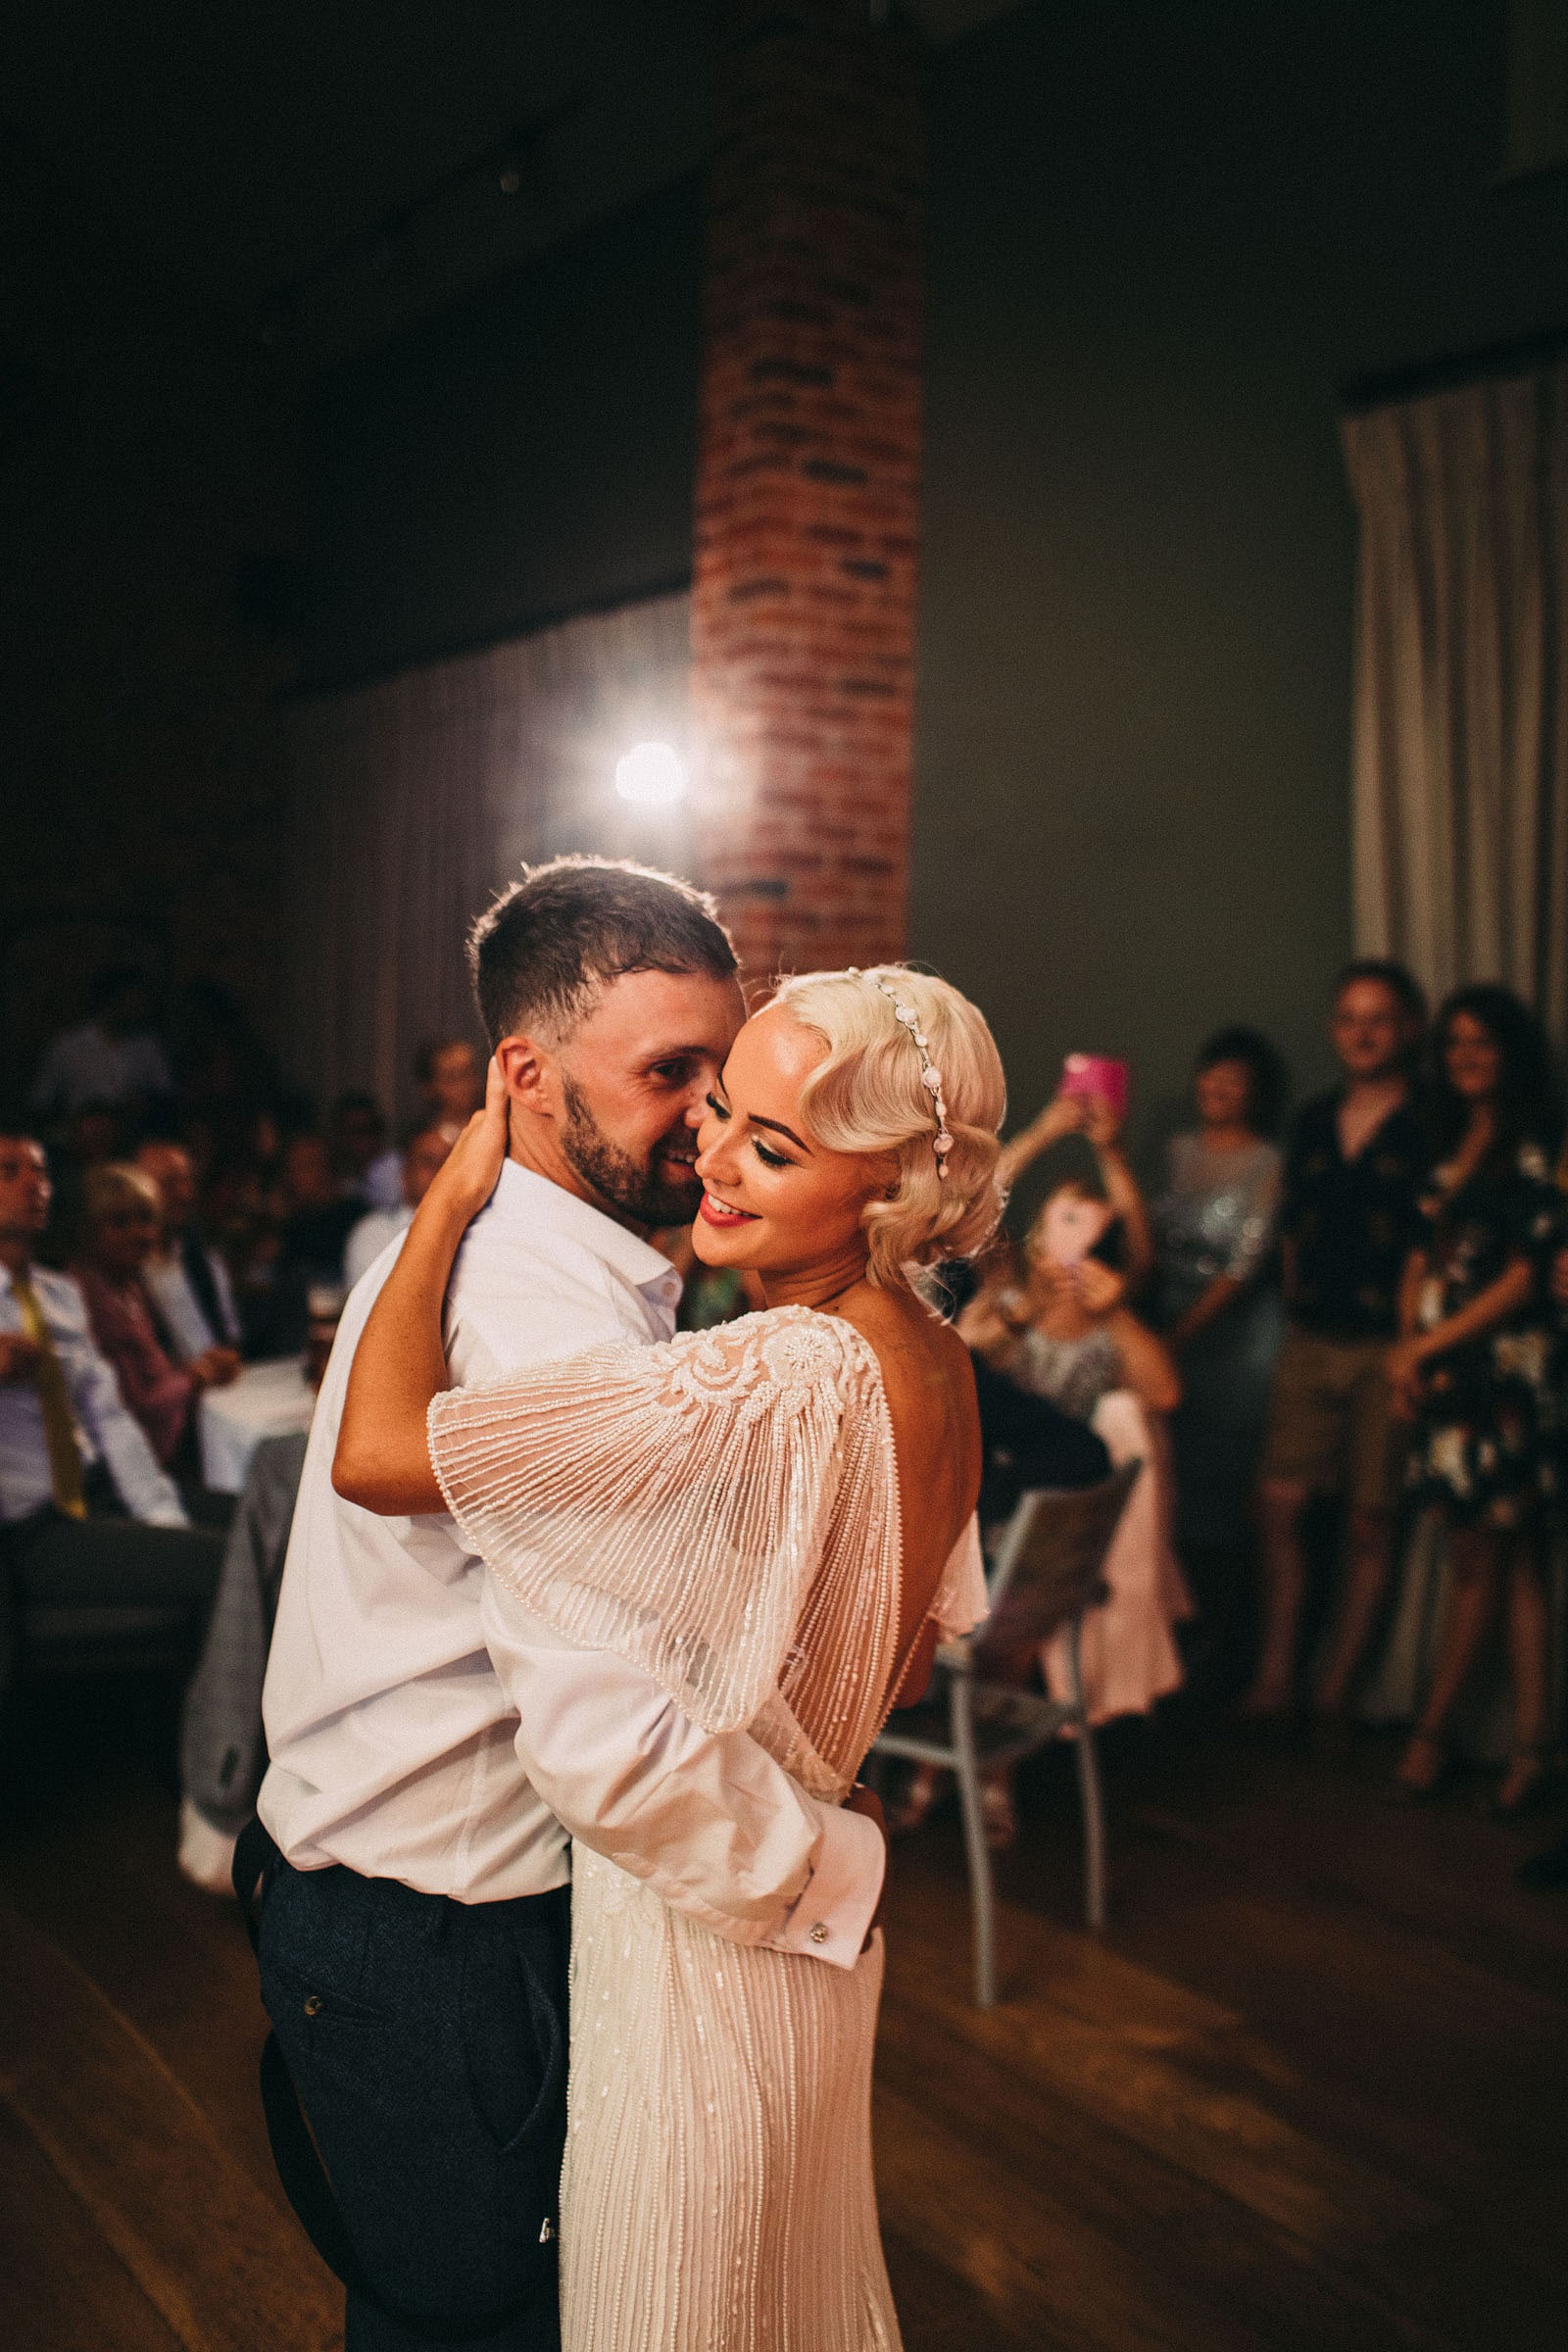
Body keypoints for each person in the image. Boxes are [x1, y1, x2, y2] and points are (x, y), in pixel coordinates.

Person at [244, 860, 890, 2352]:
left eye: (724, 1077)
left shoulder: (537, 1260)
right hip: (441, 1931)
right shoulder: (538, 1309)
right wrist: (831, 1879)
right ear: (527, 1076)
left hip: (390, 1906)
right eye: (670, 1073)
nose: (711, 1118)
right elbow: (605, 1734)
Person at [331, 956, 1004, 2352]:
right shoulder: (934, 1361)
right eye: (719, 1114)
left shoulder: (769, 1379)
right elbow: (917, 1662)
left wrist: (451, 1200)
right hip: (809, 1933)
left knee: (680, 2304)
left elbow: (376, 1454)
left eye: (774, 1142)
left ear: (888, 1192)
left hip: (702, 1940)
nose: (713, 1151)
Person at [1388, 987, 1560, 1812]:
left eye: (1483, 1043)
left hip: (1502, 1377)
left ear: (1512, 1052)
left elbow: (1528, 1274)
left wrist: (1428, 1345)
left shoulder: (1536, 1143)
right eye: (1454, 1043)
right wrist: (1406, 1350)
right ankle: (1532, 1749)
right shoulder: (1446, 1136)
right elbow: (1421, 1253)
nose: (1466, 1056)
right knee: (1510, 1561)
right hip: (1443, 1372)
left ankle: (1437, 1731)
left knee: (1486, 1561)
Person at [1247, 960, 1429, 1720]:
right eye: (1349, 1017)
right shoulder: (1315, 1119)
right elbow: (1290, 1223)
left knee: (1369, 1521)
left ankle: (1337, 1694)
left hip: (1389, 1345)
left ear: (1408, 1028)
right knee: (1280, 1505)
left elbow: (1431, 1240)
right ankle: (1275, 1678)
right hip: (1311, 1336)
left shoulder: (1431, 1122)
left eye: (1378, 1017)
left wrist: (1414, 1346)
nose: (1362, 1031)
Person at [0, 1130, 222, 1636]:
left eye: (40, 1171)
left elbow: (112, 1420)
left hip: (99, 1491)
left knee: (265, 1522)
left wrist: (158, 1514)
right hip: (33, 1528)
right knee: (228, 1562)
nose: (33, 1183)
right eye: (10, 1171)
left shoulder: (59, 1294)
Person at [1151, 1028, 1285, 1687]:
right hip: (1168, 1321)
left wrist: (1178, 1338)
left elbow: (1244, 1264)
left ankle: (1222, 1648)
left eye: (1233, 1080)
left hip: (1233, 1343)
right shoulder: (1175, 1152)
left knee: (1223, 1488)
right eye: (1210, 1075)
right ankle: (1173, 1644)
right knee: (1167, 1481)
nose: (1217, 1089)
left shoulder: (1267, 1161)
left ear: (1254, 1093)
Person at [70, 1162, 239, 1470]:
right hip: (128, 1471)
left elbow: (155, 1376)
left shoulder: (129, 1285)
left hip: (166, 1449)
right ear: (89, 1230)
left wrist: (199, 1367)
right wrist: (196, 1376)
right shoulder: (83, 1296)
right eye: (120, 1222)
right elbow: (131, 1405)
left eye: (146, 1219)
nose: (138, 1233)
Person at [135, 1138, 245, 1362]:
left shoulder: (204, 1260)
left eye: (187, 1182)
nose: (185, 1194)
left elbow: (232, 1341)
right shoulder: (129, 1276)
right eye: (169, 1184)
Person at [29, 965, 173, 1124]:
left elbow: (165, 1095)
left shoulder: (147, 1046)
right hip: (78, 1140)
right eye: (134, 999)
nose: (141, 1007)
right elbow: (42, 1101)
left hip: (131, 1138)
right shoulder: (69, 1045)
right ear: (114, 999)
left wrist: (145, 1104)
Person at [364, 1039, 485, 1210]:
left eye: (470, 1072)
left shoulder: (495, 1136)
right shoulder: (400, 1160)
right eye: (453, 1077)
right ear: (428, 1087)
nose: (468, 1085)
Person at [343, 1124, 454, 1290]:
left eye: (448, 1161)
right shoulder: (373, 1234)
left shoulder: (479, 1229)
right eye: (428, 1161)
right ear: (405, 1174)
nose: (439, 1169)